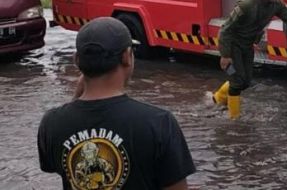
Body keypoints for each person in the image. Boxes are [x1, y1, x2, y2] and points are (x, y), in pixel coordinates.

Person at [37, 17, 196, 190]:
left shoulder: (51, 123)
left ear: (77, 60)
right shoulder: (159, 122)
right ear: (127, 57)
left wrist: (75, 100)